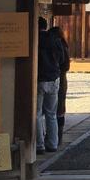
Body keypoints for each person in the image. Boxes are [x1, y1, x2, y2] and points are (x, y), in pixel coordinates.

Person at [36, 17, 64, 154]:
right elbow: (62, 58)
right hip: (53, 78)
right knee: (51, 114)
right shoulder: (54, 39)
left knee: (37, 114)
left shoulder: (34, 39)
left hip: (39, 78)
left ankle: (39, 145)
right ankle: (52, 144)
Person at [49, 25, 70, 145]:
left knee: (52, 109)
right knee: (59, 108)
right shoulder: (64, 45)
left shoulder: (55, 45)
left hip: (57, 77)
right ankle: (58, 137)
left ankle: (54, 137)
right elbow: (66, 65)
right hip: (62, 78)